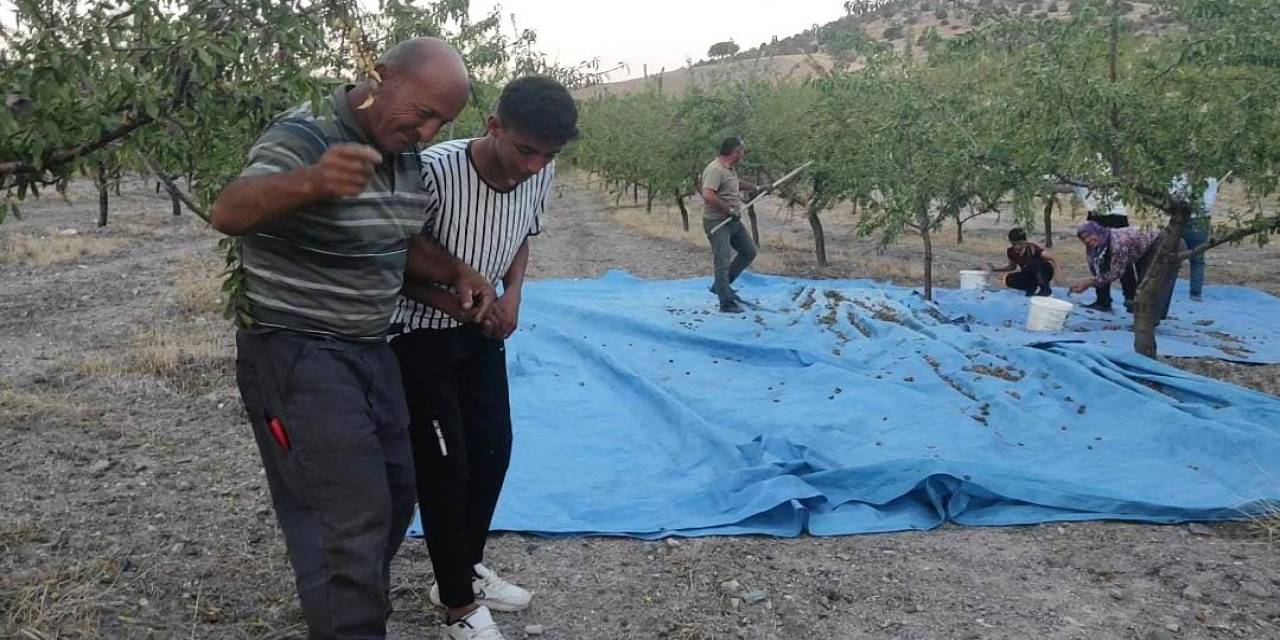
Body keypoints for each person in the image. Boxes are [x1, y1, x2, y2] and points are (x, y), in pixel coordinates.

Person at [210, 38, 496, 640]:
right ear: (381, 76)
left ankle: (343, 602)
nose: (429, 129)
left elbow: (393, 244)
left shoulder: (402, 152)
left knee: (396, 491)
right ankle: (350, 619)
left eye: (442, 120)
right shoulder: (307, 133)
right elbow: (230, 210)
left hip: (370, 348)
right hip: (299, 352)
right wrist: (311, 181)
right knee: (349, 516)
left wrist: (453, 275)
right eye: (423, 112)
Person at [388, 76, 579, 640]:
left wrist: (513, 294)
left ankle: (464, 570)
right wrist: (457, 303)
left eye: (549, 155)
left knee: (494, 449)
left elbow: (523, 234)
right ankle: (457, 610)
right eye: (525, 150)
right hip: (417, 335)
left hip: (481, 333)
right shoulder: (435, 172)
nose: (534, 165)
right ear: (494, 126)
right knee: (446, 468)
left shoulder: (541, 171)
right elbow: (392, 257)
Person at [701, 137, 771, 313]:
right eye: (742, 151)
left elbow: (734, 184)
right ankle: (725, 302)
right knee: (722, 260)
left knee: (749, 251)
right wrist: (728, 210)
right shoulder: (715, 169)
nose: (743, 155)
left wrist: (757, 188)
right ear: (735, 152)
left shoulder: (729, 170)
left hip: (732, 220)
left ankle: (721, 286)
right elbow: (708, 194)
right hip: (718, 221)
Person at [1069, 221, 1180, 321]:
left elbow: (1116, 272)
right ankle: (1146, 318)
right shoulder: (1101, 242)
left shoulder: (1117, 243)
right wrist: (1090, 281)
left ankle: (1148, 323)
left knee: (1150, 283)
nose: (1087, 240)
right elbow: (1097, 265)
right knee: (1145, 283)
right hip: (1146, 248)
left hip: (1165, 244)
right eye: (1083, 239)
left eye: (1089, 235)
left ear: (1097, 231)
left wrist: (1090, 283)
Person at [1072, 183, 1137, 311]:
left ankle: (1130, 299)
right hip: (1097, 213)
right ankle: (1105, 299)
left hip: (1112, 214)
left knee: (1120, 258)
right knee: (1098, 260)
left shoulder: (1094, 167)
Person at [1172, 173, 1221, 302]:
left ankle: (1166, 288)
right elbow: (1210, 201)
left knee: (1172, 257)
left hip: (1180, 219)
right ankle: (1195, 294)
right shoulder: (1211, 179)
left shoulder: (1179, 177)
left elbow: (1172, 195)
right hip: (1201, 221)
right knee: (1198, 260)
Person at [988, 227, 1055, 296]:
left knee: (1033, 263)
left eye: (1020, 244)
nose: (1017, 247)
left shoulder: (1032, 248)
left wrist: (1059, 273)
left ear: (1025, 241)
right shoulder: (1011, 252)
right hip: (1029, 274)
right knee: (1009, 279)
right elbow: (1012, 267)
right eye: (1014, 244)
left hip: (1043, 272)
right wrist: (996, 269)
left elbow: (1053, 258)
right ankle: (1031, 287)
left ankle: (1045, 289)